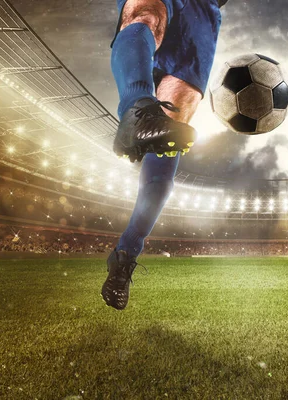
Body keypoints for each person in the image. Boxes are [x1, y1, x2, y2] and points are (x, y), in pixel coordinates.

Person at [101, 0, 227, 310]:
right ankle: (136, 107)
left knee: (172, 128)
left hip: (205, 9)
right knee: (147, 14)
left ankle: (125, 255)